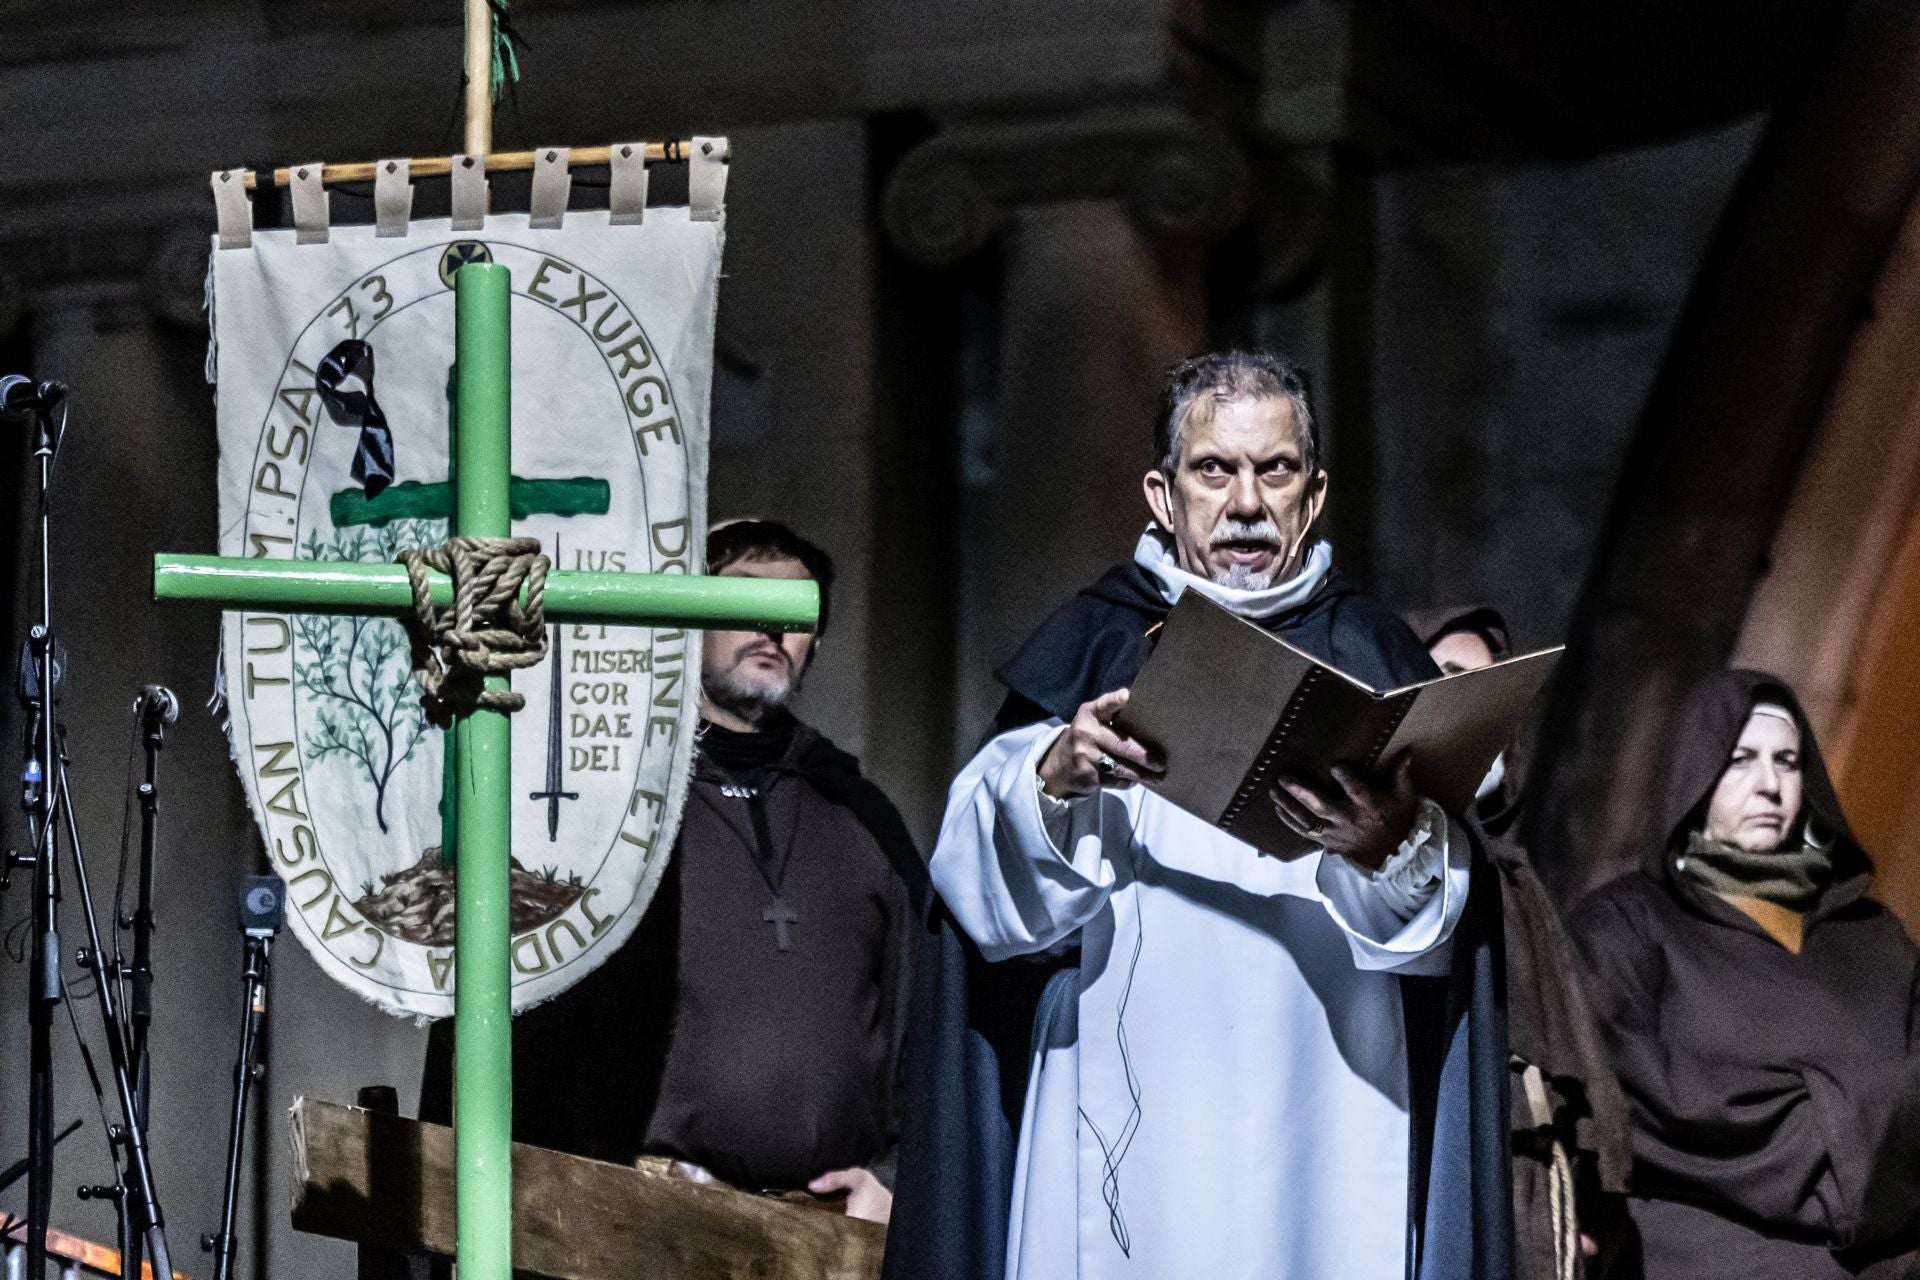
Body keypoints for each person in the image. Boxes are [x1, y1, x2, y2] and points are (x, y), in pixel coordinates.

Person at [885, 351, 1513, 1280]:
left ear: (1314, 494)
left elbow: (1439, 940)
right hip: (1125, 1092)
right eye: (1214, 469)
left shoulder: (1372, 652)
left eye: (1276, 470)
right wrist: (1053, 778)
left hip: (1331, 1096)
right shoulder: (1098, 641)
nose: (1246, 503)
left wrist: (1392, 848)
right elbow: (981, 897)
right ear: (1163, 493)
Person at [422, 519, 924, 1224]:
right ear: (687, 617)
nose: (772, 627)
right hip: (638, 1222)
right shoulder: (622, 814)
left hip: (829, 1236)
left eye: (796, 611)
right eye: (744, 598)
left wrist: (895, 1179)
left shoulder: (861, 817)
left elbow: (926, 1030)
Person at [1570, 669, 1920, 1279]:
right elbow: (1630, 1095)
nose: (1770, 785)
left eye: (1787, 761)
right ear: (1694, 772)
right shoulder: (1626, 925)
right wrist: (1860, 1141)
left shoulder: (1876, 938)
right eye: (1740, 760)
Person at [1407, 605, 1634, 1280]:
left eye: (1496, 694)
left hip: (1524, 1193)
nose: (1477, 707)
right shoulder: (1348, 870)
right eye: (1450, 677)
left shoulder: (1513, 881)